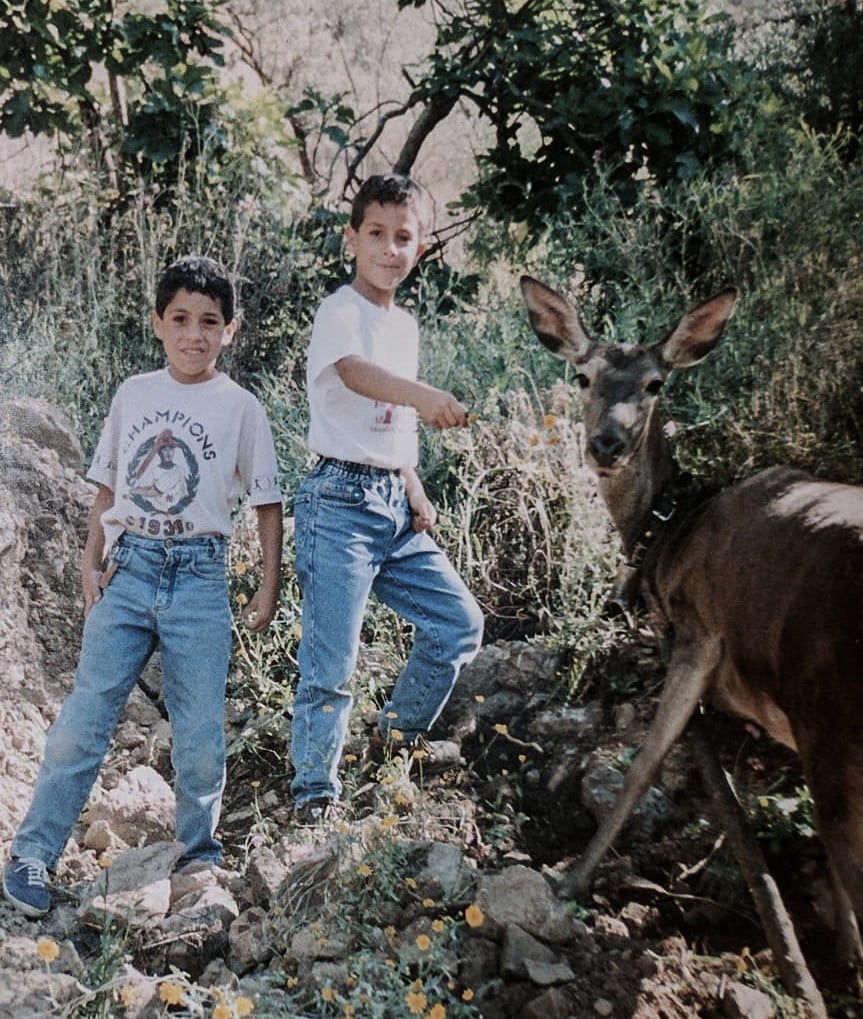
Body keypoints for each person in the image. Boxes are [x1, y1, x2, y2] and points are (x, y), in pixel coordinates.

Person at [2, 255, 283, 916]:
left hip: (200, 579)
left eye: (209, 322)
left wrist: (267, 588)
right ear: (158, 323)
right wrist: (89, 562)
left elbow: (266, 505)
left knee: (200, 733)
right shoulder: (135, 393)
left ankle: (199, 855)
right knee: (84, 718)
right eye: (180, 319)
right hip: (128, 572)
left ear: (229, 330)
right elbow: (107, 486)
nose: (194, 334)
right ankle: (34, 853)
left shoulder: (240, 408)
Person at [290, 172, 484, 824]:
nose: (389, 249)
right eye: (376, 233)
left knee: (459, 623)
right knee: (330, 666)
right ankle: (313, 800)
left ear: (420, 248)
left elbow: (390, 430)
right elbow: (355, 375)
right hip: (337, 502)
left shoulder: (404, 325)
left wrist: (414, 486)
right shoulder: (339, 311)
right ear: (352, 238)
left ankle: (390, 745)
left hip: (390, 502)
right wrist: (425, 395)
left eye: (404, 237)